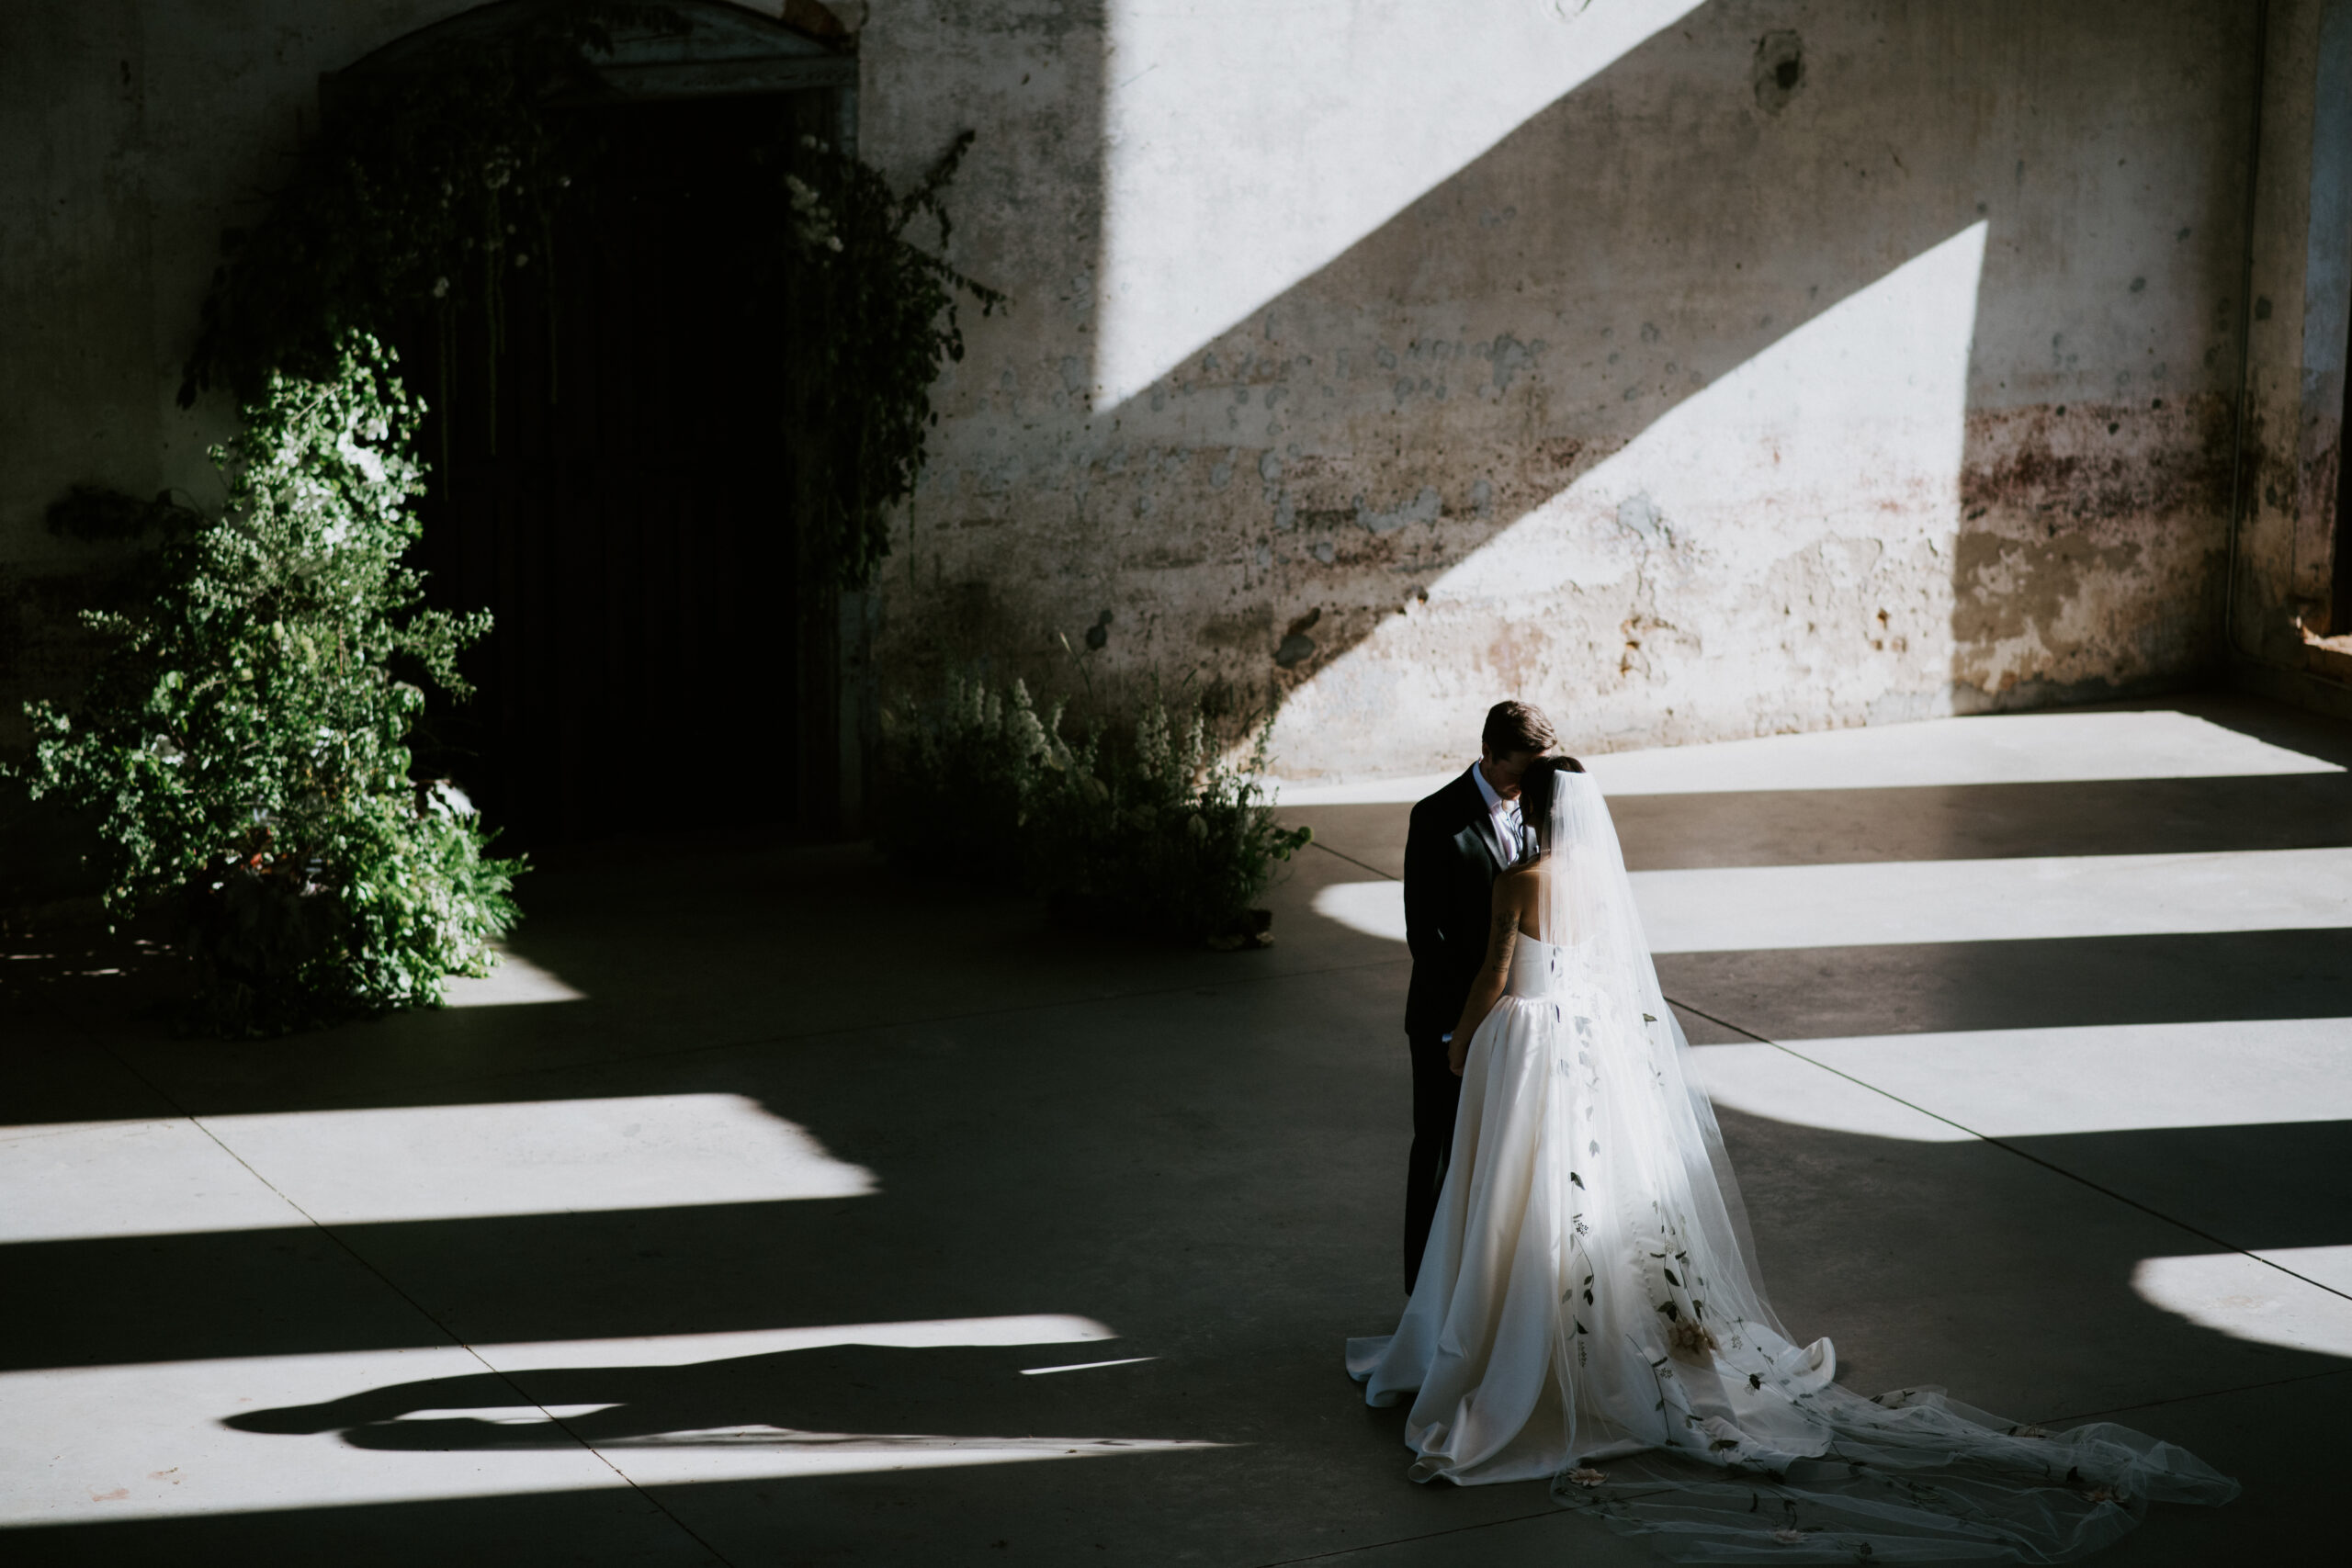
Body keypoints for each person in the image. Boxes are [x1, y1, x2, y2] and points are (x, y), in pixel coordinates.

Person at [1351, 746, 2240, 1562]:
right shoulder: (1596, 878)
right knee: (1591, 1194)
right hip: (1591, 1050)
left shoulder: (1521, 878)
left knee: (1520, 1194)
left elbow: (1495, 974)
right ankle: (1602, 1347)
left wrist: (1462, 1044)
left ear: (1535, 805)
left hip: (1530, 1048)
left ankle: (1514, 1348)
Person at [1398, 700, 1566, 1292]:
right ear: (1487, 754)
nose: (1532, 785)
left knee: (1507, 1165)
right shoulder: (1435, 818)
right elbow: (1428, 936)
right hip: (1452, 1022)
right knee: (1441, 1155)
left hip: (1522, 1026)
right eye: (1522, 770)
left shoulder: (1547, 810)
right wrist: (1467, 1023)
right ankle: (1422, 1297)